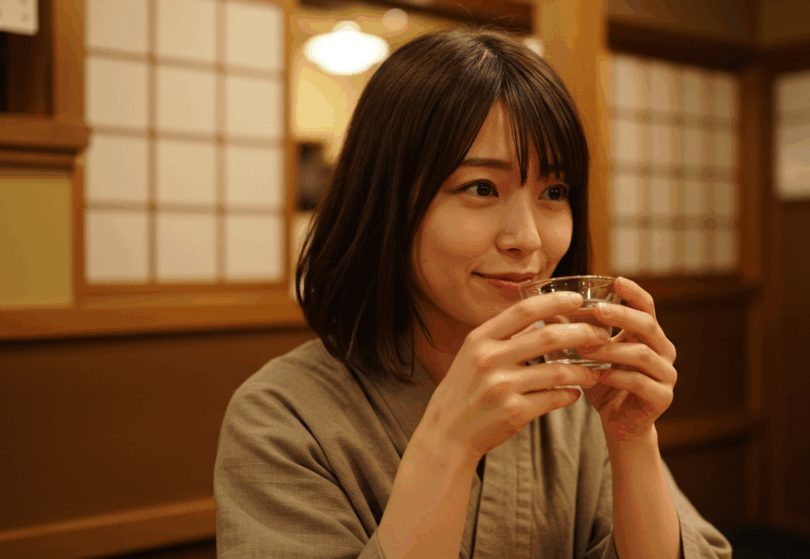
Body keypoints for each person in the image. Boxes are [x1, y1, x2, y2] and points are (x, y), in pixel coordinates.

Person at [214, 28, 732, 559]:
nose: (527, 238)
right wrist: (450, 446)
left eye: (554, 192)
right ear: (386, 198)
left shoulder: (576, 392)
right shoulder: (281, 418)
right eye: (481, 188)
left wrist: (632, 439)